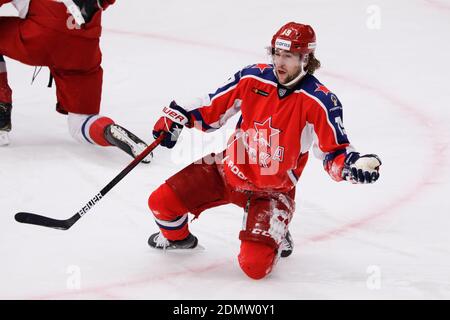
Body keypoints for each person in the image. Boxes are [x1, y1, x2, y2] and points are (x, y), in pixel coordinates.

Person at [147, 22, 382, 280]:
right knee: (161, 203)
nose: (279, 63)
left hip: (272, 192)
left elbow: (334, 151)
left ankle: (278, 234)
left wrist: (350, 165)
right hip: (228, 169)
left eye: (289, 56)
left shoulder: (320, 101)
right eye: (277, 54)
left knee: (254, 267)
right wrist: (179, 116)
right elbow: (213, 108)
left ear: (306, 59)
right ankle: (180, 242)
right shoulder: (253, 77)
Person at [0, 0, 151, 162]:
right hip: (83, 47)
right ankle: (107, 131)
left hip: (40, 36)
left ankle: (1, 110)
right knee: (81, 123)